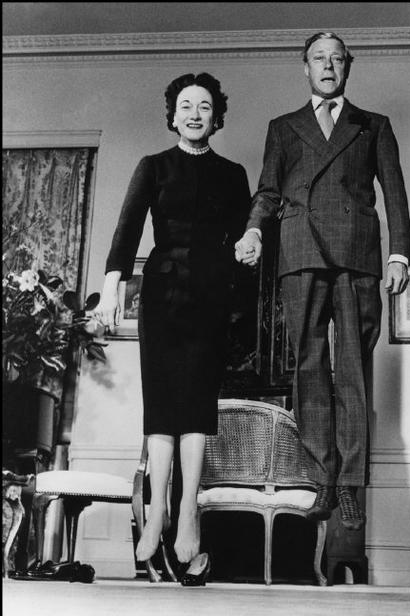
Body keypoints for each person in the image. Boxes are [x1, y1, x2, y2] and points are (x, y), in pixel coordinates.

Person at [235, 32, 410, 531]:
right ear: (305, 67)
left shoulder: (373, 125)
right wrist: (253, 230)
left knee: (352, 369)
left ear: (347, 67)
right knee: (309, 368)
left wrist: (399, 254)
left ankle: (350, 483)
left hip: (357, 255)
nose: (328, 66)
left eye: (336, 59)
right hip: (301, 251)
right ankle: (323, 481)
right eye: (319, 58)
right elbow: (269, 191)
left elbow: (394, 192)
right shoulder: (283, 127)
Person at [94, 72, 251, 585]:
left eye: (204, 106)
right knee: (162, 407)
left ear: (216, 116)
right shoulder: (153, 166)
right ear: (173, 115)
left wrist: (241, 290)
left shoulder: (232, 174)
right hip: (161, 297)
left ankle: (187, 514)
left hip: (210, 298)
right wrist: (112, 288)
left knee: (196, 409)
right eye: (186, 105)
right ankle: (157, 507)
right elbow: (126, 230)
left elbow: (245, 242)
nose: (194, 114)